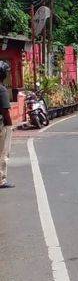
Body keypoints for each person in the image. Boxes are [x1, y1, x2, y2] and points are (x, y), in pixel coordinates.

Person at [0, 61, 13, 189]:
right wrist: (9, 126)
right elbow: (5, 111)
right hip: (2, 125)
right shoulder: (2, 90)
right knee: (3, 153)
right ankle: (1, 180)